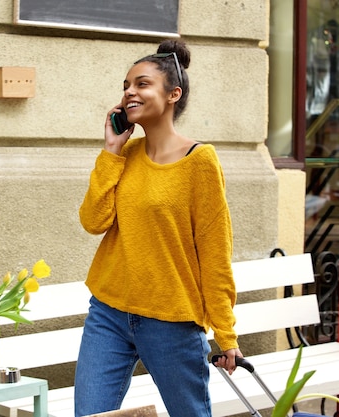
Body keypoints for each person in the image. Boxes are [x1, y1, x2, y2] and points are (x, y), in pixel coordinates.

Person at [75, 39, 243, 417]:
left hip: (171, 322)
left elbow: (215, 252)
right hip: (109, 314)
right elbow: (93, 221)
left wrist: (225, 333)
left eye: (142, 83)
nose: (130, 92)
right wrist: (111, 151)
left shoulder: (200, 161)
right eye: (126, 85)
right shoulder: (124, 156)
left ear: (173, 94)